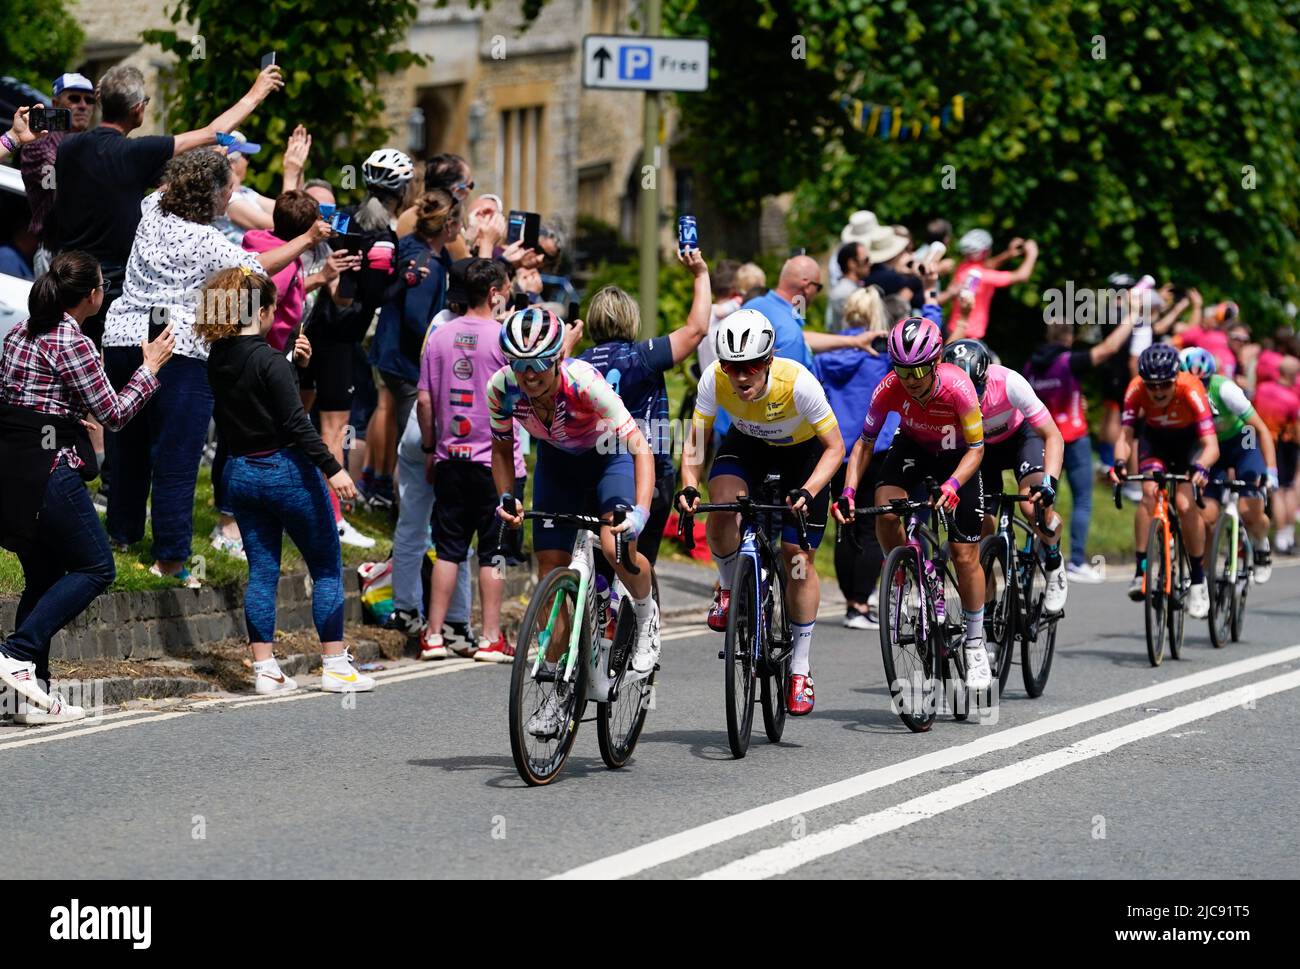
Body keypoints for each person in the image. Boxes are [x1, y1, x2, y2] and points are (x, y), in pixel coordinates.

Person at [101, 150, 330, 586]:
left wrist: (207, 159)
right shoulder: (208, 243)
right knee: (176, 455)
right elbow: (257, 268)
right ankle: (169, 558)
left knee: (127, 446)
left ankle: (122, 537)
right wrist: (306, 240)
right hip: (178, 347)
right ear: (210, 193)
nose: (231, 199)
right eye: (228, 190)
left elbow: (169, 187)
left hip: (123, 335)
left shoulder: (150, 209)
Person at [0, 251, 171, 724]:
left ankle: (28, 699)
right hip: (50, 470)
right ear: (93, 295)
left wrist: (66, 414)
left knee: (43, 576)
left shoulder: (20, 332)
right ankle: (16, 653)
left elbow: (21, 399)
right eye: (103, 286)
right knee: (97, 566)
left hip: (11, 469)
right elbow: (114, 413)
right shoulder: (72, 340)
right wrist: (150, 368)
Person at [197, 267, 373, 694]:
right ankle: (334, 663)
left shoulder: (217, 358)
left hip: (240, 472)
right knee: (327, 566)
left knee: (262, 570)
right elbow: (296, 423)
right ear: (261, 312)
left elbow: (262, 401)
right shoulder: (269, 360)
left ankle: (265, 670)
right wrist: (334, 469)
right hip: (285, 471)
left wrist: (296, 367)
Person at [491, 308, 660, 738]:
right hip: (557, 465)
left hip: (609, 456)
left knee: (613, 546)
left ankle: (646, 614)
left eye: (538, 364)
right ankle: (556, 692)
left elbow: (641, 448)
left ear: (557, 359)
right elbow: (501, 446)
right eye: (518, 364)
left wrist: (639, 512)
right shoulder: (501, 390)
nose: (528, 375)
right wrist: (507, 497)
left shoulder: (584, 381)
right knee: (550, 569)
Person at [678, 310, 844, 716]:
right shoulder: (714, 379)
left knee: (797, 558)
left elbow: (835, 448)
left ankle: (801, 667)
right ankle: (728, 586)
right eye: (733, 368)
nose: (740, 377)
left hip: (803, 456)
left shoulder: (798, 383)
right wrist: (688, 484)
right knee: (721, 509)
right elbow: (696, 441)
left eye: (750, 366)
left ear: (768, 361)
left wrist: (809, 489)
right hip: (748, 445)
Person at [53, 63, 287, 348]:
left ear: (101, 101)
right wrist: (256, 92)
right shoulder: (136, 152)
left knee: (64, 356)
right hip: (107, 281)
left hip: (65, 272)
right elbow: (214, 131)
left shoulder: (68, 147)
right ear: (138, 108)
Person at [835, 316, 993, 691]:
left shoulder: (959, 388)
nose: (911, 378)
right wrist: (848, 491)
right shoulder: (889, 387)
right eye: (902, 369)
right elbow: (864, 444)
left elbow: (977, 448)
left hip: (958, 456)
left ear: (936, 361)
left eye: (919, 369)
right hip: (915, 447)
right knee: (886, 507)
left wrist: (954, 483)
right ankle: (910, 574)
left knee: (964, 553)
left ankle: (974, 642)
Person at [418, 258, 525, 662]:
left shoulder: (439, 336)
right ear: (495, 293)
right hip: (496, 463)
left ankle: (432, 636)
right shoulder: (505, 340)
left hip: (450, 457)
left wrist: (431, 447)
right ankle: (491, 637)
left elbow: (425, 400)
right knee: (493, 552)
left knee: (448, 549)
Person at [581, 250, 712, 565]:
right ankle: (642, 611)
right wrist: (700, 275)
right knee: (636, 562)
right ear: (631, 320)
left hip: (593, 470)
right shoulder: (642, 356)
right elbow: (696, 330)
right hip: (648, 474)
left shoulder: (580, 364)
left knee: (601, 562)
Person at [943, 339, 1069, 612]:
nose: (970, 400)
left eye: (975, 391)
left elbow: (1052, 435)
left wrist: (1050, 483)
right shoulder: (943, 393)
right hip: (981, 451)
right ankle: (987, 609)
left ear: (986, 377)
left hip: (1020, 440)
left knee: (1032, 506)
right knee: (981, 529)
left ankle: (1054, 561)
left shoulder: (1010, 382)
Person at [1023, 312, 1136, 582]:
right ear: (1069, 337)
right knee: (1082, 500)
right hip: (1072, 439)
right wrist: (1132, 317)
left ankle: (1037, 556)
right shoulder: (1069, 361)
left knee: (1041, 500)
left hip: (1040, 439)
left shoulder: (1030, 366)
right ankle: (1075, 561)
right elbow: (1108, 349)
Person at [1110, 343, 1219, 617]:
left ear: (1176, 379)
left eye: (1164, 385)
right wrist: (1120, 463)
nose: (1157, 392)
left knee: (1184, 503)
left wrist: (1202, 469)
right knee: (1148, 494)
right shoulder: (1135, 388)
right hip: (1156, 441)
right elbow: (1125, 436)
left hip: (1188, 444)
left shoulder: (1191, 388)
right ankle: (1141, 570)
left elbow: (1211, 446)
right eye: (1152, 386)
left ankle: (1197, 580)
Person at [369, 189, 462, 494]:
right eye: (458, 223)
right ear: (448, 226)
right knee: (413, 440)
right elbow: (415, 320)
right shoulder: (427, 264)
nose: (461, 231)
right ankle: (405, 504)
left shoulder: (422, 249)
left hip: (392, 354)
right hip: (405, 361)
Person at [814, 285, 896, 628]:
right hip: (872, 449)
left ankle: (851, 599)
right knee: (868, 527)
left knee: (844, 526)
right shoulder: (882, 356)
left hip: (834, 449)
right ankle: (861, 604)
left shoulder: (826, 355)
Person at [1179, 347, 1276, 583]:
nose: (1198, 389)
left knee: (1249, 510)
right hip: (1211, 448)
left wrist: (1271, 472)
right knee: (1208, 514)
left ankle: (1261, 544)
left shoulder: (1225, 389)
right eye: (1192, 382)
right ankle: (1204, 576)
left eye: (1203, 382)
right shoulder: (1179, 392)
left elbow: (1261, 429)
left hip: (1243, 441)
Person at [19, 74, 96, 276]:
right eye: (74, 98)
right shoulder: (40, 141)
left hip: (90, 252)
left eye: (89, 100)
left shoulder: (92, 143)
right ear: (55, 103)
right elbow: (66, 183)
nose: (83, 105)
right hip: (56, 252)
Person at [945, 230, 1039, 343]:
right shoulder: (984, 276)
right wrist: (1032, 254)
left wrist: (1008, 254)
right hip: (969, 337)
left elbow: (987, 265)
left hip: (953, 330)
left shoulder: (963, 268)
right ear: (985, 252)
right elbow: (1021, 276)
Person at [1253, 354, 1300, 554]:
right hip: (1284, 443)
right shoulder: (1292, 399)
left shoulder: (1262, 389)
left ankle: (1283, 536)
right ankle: (1284, 536)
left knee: (1277, 490)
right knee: (1285, 490)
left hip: (1262, 441)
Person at [826, 241, 869, 331]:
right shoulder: (845, 292)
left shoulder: (848, 289)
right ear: (851, 263)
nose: (869, 264)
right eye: (866, 260)